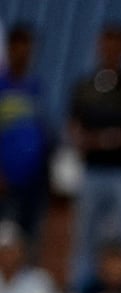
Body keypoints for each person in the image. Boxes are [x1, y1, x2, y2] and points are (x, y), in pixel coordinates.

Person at [67, 25, 121, 291]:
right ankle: (81, 290)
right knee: (86, 235)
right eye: (107, 46)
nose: (111, 52)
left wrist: (112, 139)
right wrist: (97, 141)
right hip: (93, 170)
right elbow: (74, 127)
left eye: (117, 46)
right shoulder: (87, 85)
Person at [0, 24, 52, 256]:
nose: (24, 55)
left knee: (30, 241)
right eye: (19, 49)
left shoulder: (35, 87)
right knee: (6, 241)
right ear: (9, 49)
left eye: (29, 50)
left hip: (34, 182)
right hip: (6, 181)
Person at [0, 219, 55, 293]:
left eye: (12, 250)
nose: (7, 255)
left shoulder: (39, 281)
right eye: (4, 250)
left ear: (22, 251)